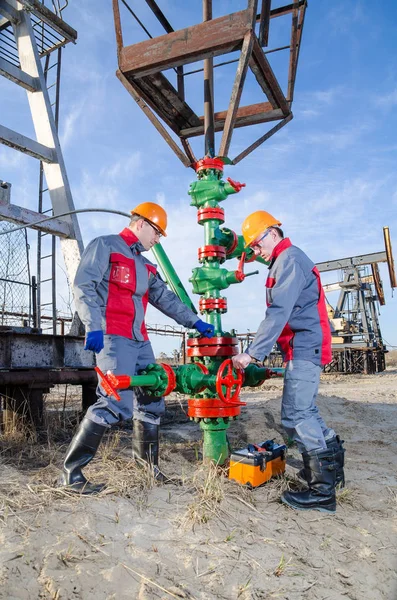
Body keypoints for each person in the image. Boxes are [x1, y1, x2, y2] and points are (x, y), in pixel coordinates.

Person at [60, 202, 214, 494]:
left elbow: (165, 299)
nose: (158, 239)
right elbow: (83, 285)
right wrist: (93, 324)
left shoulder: (145, 266)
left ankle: (148, 470)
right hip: (113, 337)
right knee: (113, 402)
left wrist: (195, 322)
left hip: (140, 340)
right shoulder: (106, 246)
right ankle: (71, 475)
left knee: (153, 398)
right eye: (157, 232)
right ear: (141, 223)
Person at [232, 210, 345, 513]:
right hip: (303, 346)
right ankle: (332, 474)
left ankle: (322, 493)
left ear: (272, 233)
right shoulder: (284, 261)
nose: (255, 253)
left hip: (306, 346)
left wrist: (252, 352)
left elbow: (279, 312)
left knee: (295, 416)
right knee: (306, 411)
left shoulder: (289, 260)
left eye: (256, 245)